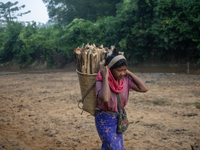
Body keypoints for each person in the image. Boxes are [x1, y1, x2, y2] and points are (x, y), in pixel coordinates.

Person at [95, 48, 148, 150]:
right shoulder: (100, 80)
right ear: (110, 69)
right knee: (115, 147)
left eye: (124, 70)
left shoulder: (125, 80)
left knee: (109, 147)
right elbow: (105, 98)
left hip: (118, 119)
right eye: (119, 70)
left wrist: (129, 73)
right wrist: (106, 77)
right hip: (104, 120)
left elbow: (144, 88)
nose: (122, 73)